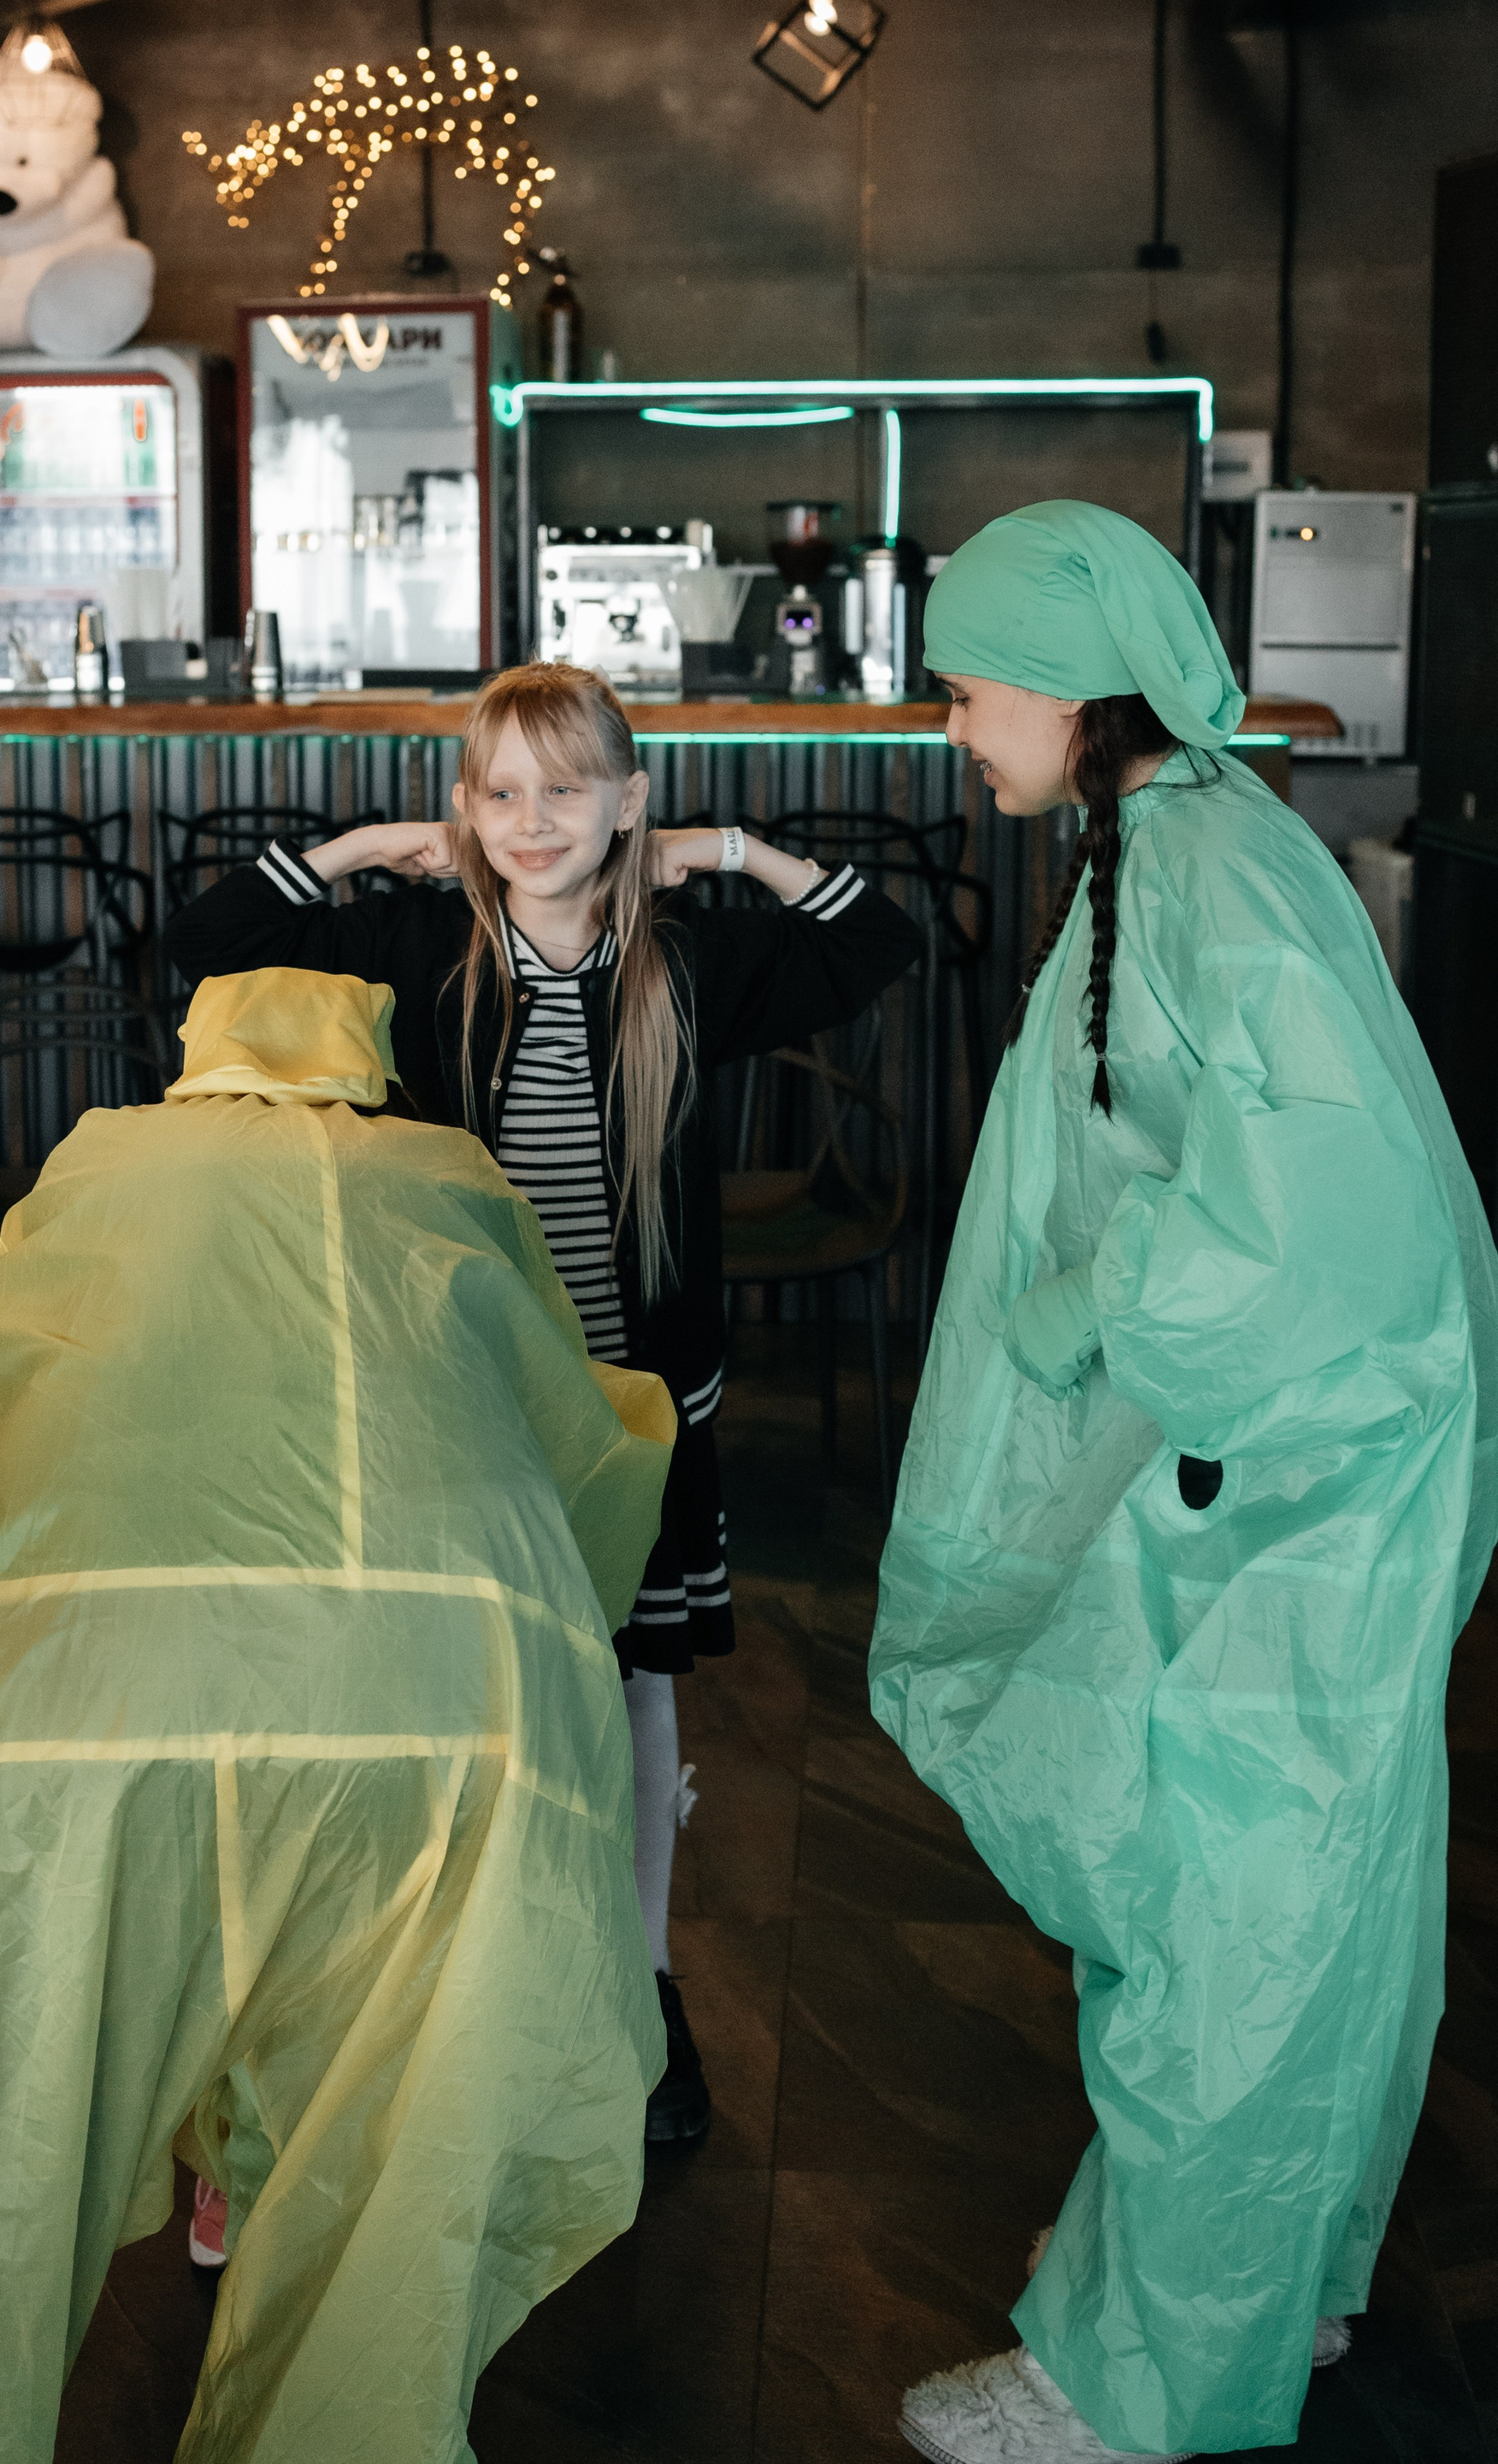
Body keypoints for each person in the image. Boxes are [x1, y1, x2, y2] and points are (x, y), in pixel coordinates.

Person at [868, 502, 1498, 2463]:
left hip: (1312, 1468)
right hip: (1312, 1454)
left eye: (968, 690)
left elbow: (1316, 1203)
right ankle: (1263, 2276)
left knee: (1234, 1913)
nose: (954, 730)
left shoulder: (1204, 871)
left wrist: (1087, 1304)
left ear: (1071, 686)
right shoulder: (1192, 840)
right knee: (1307, 1894)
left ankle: (1126, 2386)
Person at [163, 662, 924, 2142]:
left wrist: (725, 850)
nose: (529, 819)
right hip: (471, 1393)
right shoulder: (420, 946)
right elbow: (207, 943)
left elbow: (875, 939)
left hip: (639, 1405)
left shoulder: (681, 961)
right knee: (479, 1683)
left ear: (625, 804)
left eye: (565, 789)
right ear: (466, 809)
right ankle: (476, 1980)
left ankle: (641, 1981)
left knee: (634, 1684)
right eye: (500, 792)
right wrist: (362, 848)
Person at [0, 965, 675, 2464]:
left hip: (77, 1709)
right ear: (372, 1065)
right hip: (453, 1712)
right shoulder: (450, 1172)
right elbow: (582, 1448)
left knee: (2, 2162)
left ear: (196, 1059)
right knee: (391, 2149)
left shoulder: (103, 1158)